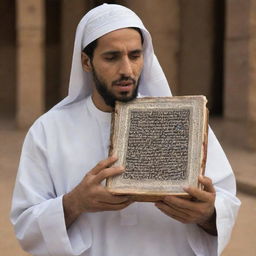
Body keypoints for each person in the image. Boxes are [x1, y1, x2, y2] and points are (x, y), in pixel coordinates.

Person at [10, 4, 240, 256]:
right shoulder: (49, 130)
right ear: (87, 62)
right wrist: (74, 203)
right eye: (112, 57)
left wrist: (208, 214)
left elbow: (225, 201)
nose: (127, 70)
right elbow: (26, 225)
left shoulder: (185, 121)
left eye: (134, 55)